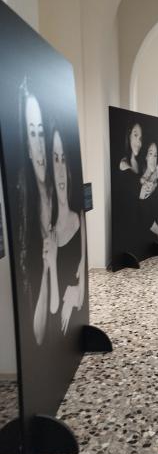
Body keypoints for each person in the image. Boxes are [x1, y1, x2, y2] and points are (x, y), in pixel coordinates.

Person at [18, 80, 58, 345]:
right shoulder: (25, 220)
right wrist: (47, 267)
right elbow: (38, 333)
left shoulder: (61, 200)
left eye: (41, 133)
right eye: (32, 134)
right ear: (28, 148)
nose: (39, 145)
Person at [51, 125, 86, 335]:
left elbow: (81, 299)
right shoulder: (49, 232)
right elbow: (53, 307)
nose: (61, 169)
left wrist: (72, 298)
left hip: (72, 320)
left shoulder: (79, 218)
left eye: (63, 159)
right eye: (55, 160)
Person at [139, 142, 158, 241]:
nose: (153, 159)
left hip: (155, 216)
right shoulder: (141, 174)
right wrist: (144, 183)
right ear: (146, 156)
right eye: (150, 154)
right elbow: (141, 198)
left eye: (155, 155)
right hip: (144, 222)